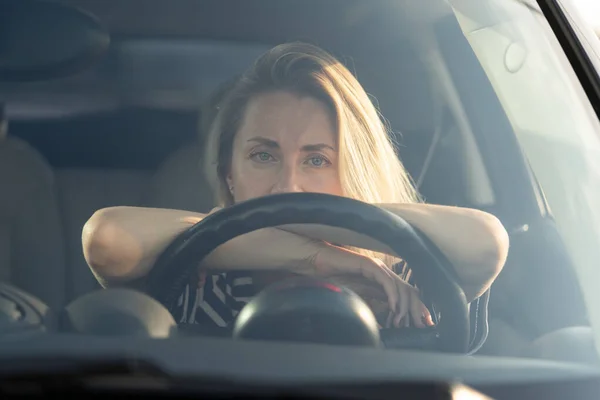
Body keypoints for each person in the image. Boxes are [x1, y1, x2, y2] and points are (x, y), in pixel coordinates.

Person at [82, 42, 509, 331]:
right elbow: (108, 239)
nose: (288, 185)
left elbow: (484, 242)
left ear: (353, 170)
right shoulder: (192, 278)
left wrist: (351, 233)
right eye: (263, 156)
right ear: (230, 173)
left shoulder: (400, 283)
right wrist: (315, 259)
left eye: (317, 160)